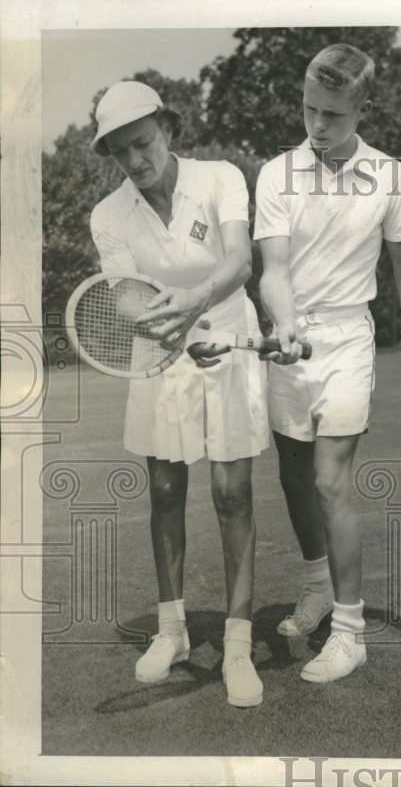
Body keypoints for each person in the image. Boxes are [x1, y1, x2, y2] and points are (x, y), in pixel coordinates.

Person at [251, 44, 401, 683]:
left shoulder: (390, 175)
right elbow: (272, 271)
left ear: (362, 108)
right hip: (290, 338)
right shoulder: (275, 172)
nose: (316, 125)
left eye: (332, 114)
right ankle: (316, 585)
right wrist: (283, 324)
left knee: (330, 479)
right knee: (291, 471)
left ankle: (350, 630)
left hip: (347, 341)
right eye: (309, 109)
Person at [89, 81, 268, 707]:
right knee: (165, 490)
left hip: (230, 338)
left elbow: (241, 262)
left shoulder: (221, 178)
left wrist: (195, 304)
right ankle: (173, 633)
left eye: (142, 143)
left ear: (167, 128)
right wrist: (170, 329)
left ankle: (239, 647)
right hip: (162, 352)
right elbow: (127, 300)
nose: (136, 161)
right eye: (121, 153)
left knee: (231, 491)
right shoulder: (108, 215)